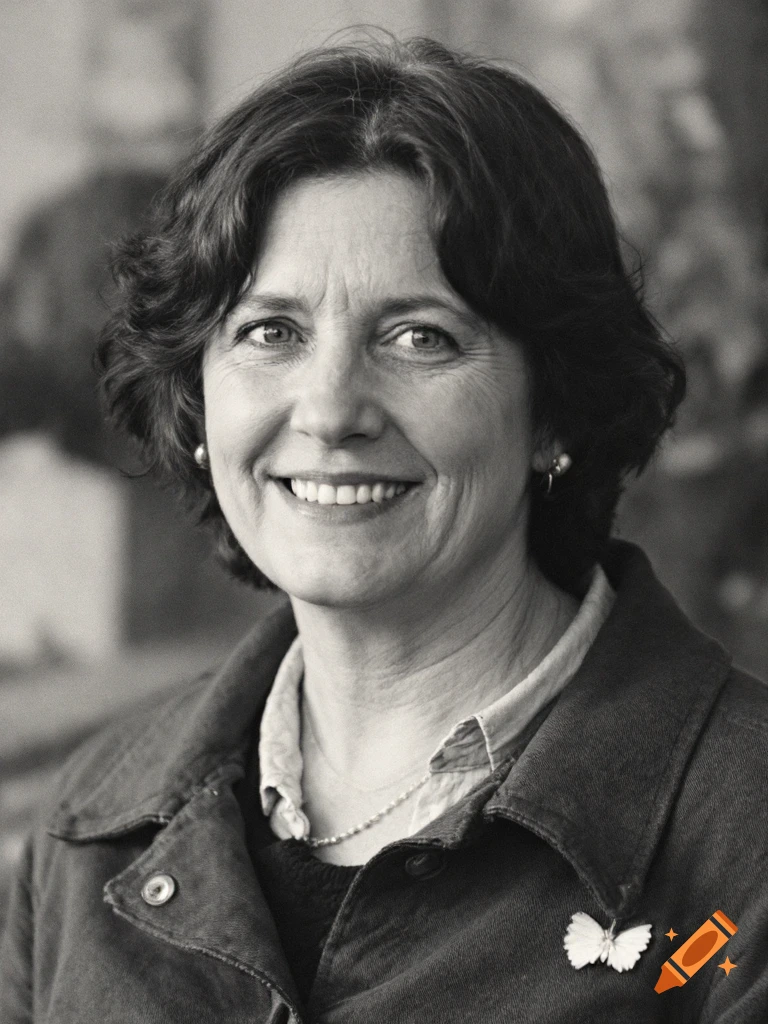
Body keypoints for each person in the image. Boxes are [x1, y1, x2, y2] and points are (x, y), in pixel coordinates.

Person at [2, 34, 766, 1024]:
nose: (329, 410)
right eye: (269, 332)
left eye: (419, 337)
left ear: (557, 412)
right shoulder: (87, 832)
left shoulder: (745, 842)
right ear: (200, 403)